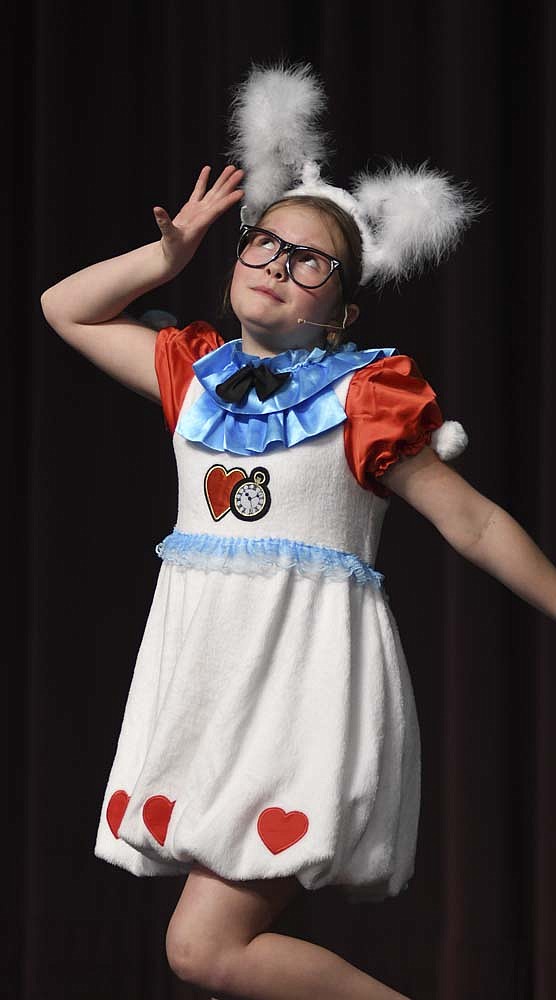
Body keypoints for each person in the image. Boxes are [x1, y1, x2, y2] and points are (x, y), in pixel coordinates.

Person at [40, 157, 556, 1000]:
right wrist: (163, 262)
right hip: (209, 690)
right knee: (205, 953)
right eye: (265, 244)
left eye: (310, 258)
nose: (280, 265)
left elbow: (476, 521)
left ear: (342, 312)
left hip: (302, 691)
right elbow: (63, 309)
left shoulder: (363, 399)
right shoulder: (192, 376)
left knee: (201, 948)